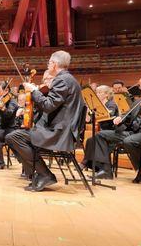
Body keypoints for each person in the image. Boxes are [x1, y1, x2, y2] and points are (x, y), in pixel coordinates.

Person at [5, 50, 85, 192]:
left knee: (14, 137)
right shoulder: (68, 79)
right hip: (60, 130)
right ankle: (39, 174)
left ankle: (45, 174)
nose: (48, 65)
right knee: (17, 136)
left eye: (49, 62)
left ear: (54, 64)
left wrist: (34, 91)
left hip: (59, 133)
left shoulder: (62, 80)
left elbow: (48, 106)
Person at [81, 75, 141, 182]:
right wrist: (120, 118)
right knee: (100, 135)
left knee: (129, 141)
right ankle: (105, 171)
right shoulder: (139, 102)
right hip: (131, 131)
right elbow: (128, 115)